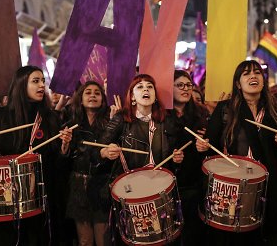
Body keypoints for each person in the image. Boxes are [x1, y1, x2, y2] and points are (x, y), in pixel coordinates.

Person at [0, 65, 73, 246]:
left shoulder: (50, 117)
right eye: (35, 81)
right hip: (7, 194)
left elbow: (58, 161)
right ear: (21, 84)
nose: (42, 85)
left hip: (42, 194)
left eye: (43, 81)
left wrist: (64, 147)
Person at [197, 60, 277, 246]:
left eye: (257, 73)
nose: (253, 76)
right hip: (235, 186)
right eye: (247, 73)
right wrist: (201, 147)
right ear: (238, 83)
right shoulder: (225, 109)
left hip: (269, 186)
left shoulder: (276, 111)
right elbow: (209, 147)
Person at [95, 74, 184, 243]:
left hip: (159, 188)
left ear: (155, 95)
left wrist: (177, 159)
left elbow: (174, 157)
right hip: (130, 189)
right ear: (132, 96)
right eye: (140, 87)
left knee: (162, 238)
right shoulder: (121, 120)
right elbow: (96, 151)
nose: (145, 89)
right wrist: (105, 152)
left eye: (150, 86)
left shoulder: (167, 121)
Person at [64, 81, 115, 246]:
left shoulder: (111, 122)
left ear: (103, 99)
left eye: (97, 93)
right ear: (80, 98)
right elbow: (63, 158)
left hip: (102, 185)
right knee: (84, 241)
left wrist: (114, 124)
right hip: (79, 184)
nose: (92, 95)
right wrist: (64, 145)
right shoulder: (71, 123)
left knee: (103, 240)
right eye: (88, 92)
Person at [166, 70, 209, 245]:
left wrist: (204, 146)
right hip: (168, 183)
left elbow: (211, 148)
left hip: (193, 183)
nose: (185, 89)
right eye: (180, 85)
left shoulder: (201, 113)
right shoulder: (161, 115)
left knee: (193, 233)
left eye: (188, 85)